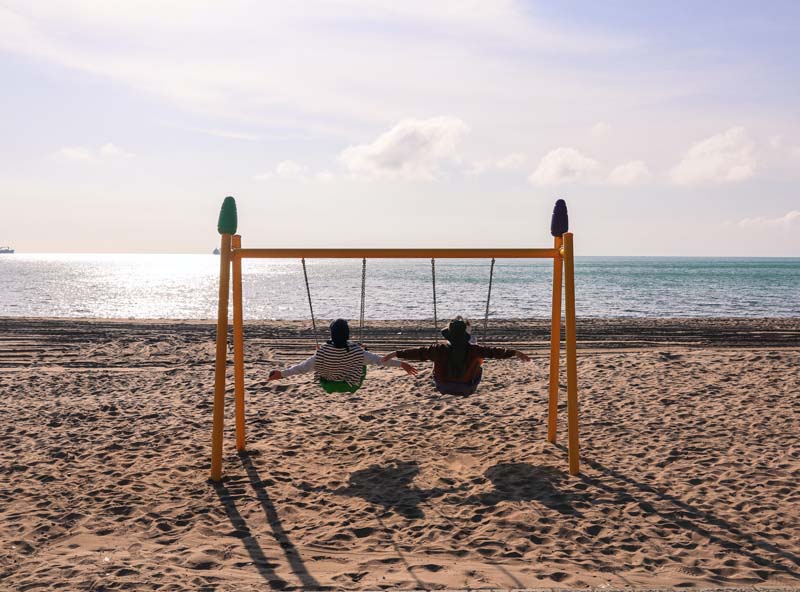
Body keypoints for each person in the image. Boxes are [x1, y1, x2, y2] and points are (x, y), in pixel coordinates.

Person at [381, 316, 530, 396]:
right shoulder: (474, 349)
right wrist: (515, 352)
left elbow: (419, 352)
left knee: (434, 358)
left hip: (443, 385)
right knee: (479, 360)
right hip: (468, 386)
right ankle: (468, 377)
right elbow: (495, 352)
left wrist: (396, 353)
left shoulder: (439, 349)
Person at [268, 318, 418, 393]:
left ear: (331, 335)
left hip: (327, 384)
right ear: (347, 334)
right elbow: (380, 361)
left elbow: (302, 368)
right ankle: (356, 349)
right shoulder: (358, 353)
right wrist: (401, 364)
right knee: (363, 359)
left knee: (319, 362)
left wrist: (281, 374)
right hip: (351, 384)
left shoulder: (321, 353)